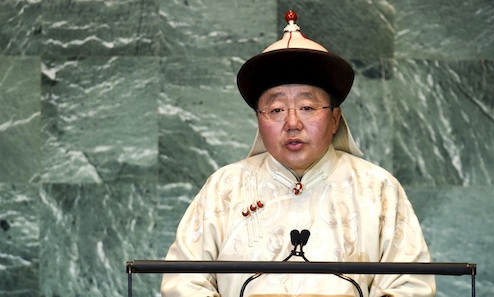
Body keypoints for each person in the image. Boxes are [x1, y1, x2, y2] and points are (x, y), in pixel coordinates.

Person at [161, 10, 436, 297]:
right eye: (277, 110)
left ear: (334, 119)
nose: (292, 123)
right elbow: (182, 282)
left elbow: (411, 286)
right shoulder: (225, 188)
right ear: (259, 120)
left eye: (307, 107)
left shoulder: (378, 190)